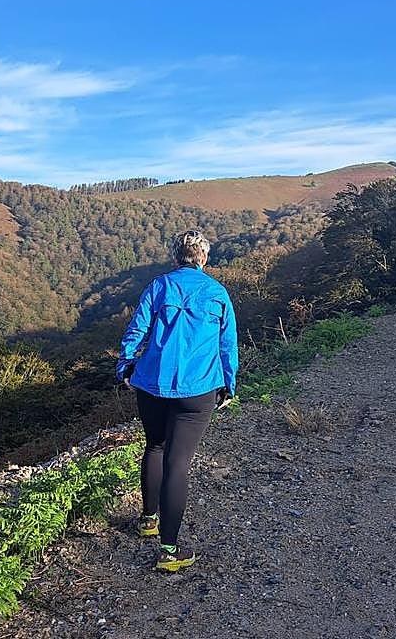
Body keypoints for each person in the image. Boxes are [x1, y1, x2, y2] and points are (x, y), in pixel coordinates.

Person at [116, 229, 238, 572]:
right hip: (199, 389)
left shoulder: (159, 286)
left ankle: (147, 520)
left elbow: (137, 329)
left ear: (175, 256)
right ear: (204, 259)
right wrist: (229, 383)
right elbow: (227, 344)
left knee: (154, 447)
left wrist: (125, 364)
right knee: (178, 462)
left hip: (152, 383)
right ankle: (169, 552)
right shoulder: (217, 293)